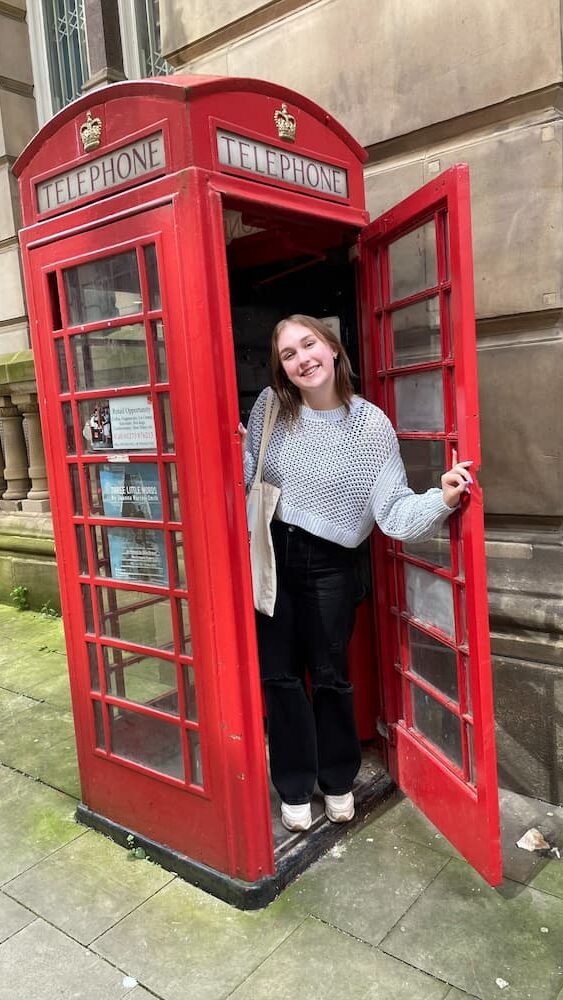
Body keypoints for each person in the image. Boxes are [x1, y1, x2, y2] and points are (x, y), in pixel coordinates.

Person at [240, 315, 472, 834]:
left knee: (330, 676)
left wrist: (443, 498)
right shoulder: (270, 408)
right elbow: (247, 469)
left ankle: (338, 779)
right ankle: (295, 786)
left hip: (330, 566)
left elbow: (391, 510)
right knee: (279, 676)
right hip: (273, 552)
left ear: (333, 349)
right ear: (282, 368)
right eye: (288, 355)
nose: (302, 359)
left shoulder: (371, 425)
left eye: (309, 345)